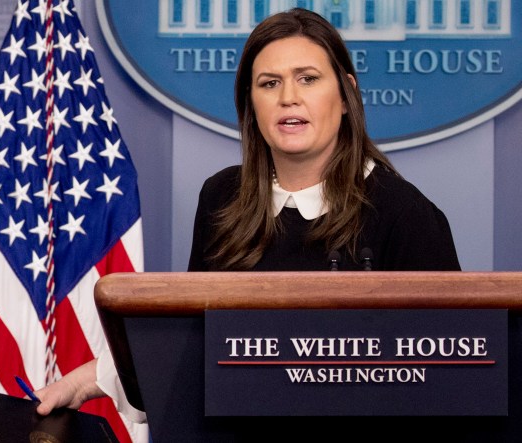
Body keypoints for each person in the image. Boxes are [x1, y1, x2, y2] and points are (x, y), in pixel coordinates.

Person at [33, 6, 460, 420]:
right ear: (250, 104)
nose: (289, 98)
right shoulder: (223, 197)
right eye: (269, 83)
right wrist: (89, 381)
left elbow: (446, 381)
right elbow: (193, 344)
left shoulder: (406, 214)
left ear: (346, 95)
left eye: (308, 79)